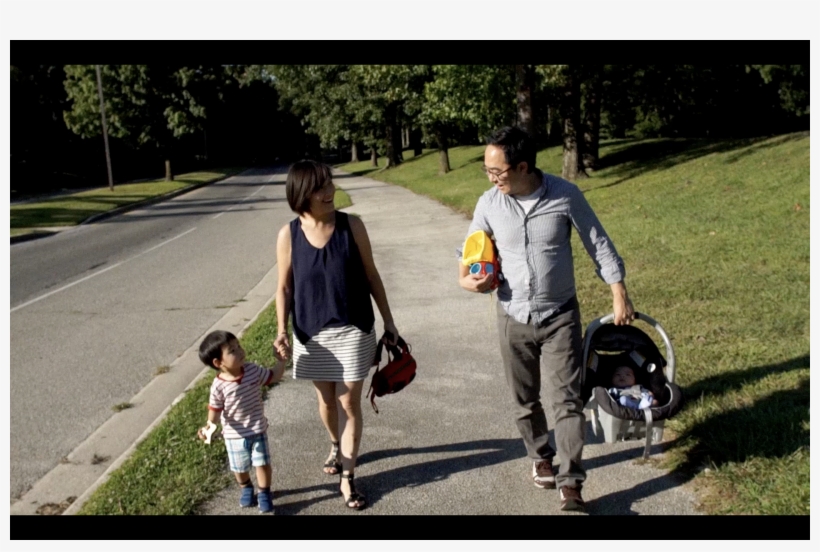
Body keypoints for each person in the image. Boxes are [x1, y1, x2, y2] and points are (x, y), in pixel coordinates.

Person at [458, 126, 635, 512]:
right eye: (487, 172)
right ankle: (541, 454)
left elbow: (597, 241)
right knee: (524, 400)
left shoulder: (564, 195)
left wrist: (618, 290)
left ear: (522, 166)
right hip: (512, 315)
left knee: (568, 401)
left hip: (559, 316)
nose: (491, 179)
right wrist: (470, 279)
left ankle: (571, 482)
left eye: (497, 172)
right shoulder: (489, 203)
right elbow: (470, 253)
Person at [273, 160, 399, 511]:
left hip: (354, 327)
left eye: (329, 184)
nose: (329, 192)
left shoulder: (351, 226)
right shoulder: (289, 234)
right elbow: (283, 288)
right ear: (301, 194)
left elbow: (372, 276)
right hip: (310, 333)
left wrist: (389, 322)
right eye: (320, 188)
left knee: (348, 402)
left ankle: (348, 476)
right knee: (327, 401)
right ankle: (334, 442)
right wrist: (281, 330)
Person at [197, 330, 286, 514]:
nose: (240, 351)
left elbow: (273, 376)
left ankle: (264, 492)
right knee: (239, 468)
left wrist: (281, 361)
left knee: (262, 464)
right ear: (218, 363)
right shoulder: (219, 386)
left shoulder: (252, 371)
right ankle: (246, 487)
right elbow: (214, 412)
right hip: (233, 435)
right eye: (232, 350)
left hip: (257, 429)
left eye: (239, 346)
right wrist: (208, 428)